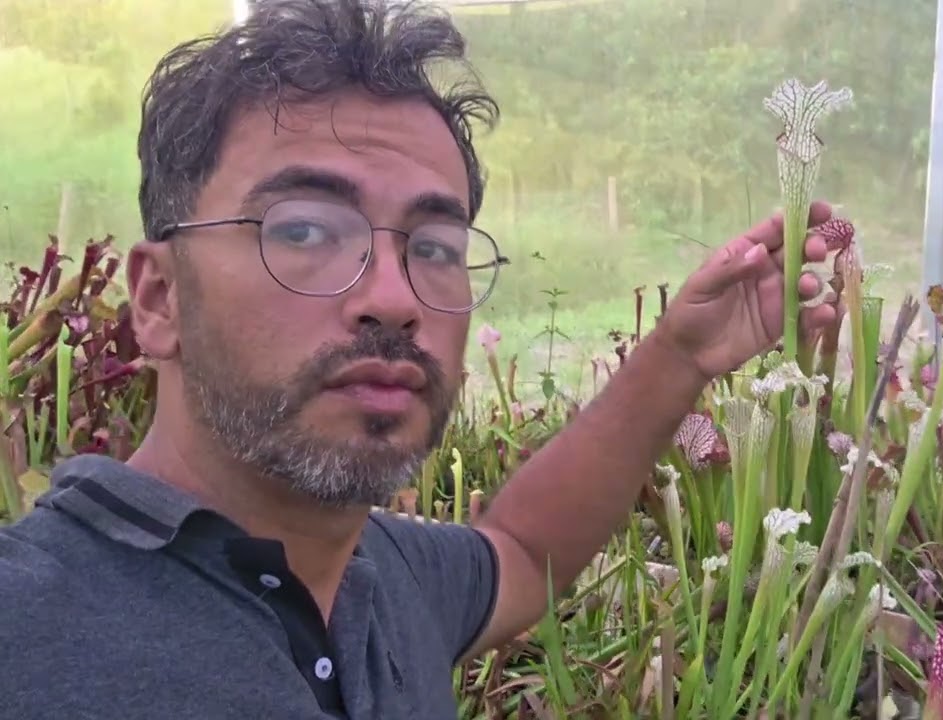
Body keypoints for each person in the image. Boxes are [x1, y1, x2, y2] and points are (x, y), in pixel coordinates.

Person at [0, 1, 838, 718]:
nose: (395, 296)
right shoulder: (29, 625)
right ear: (159, 299)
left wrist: (681, 354)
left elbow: (523, 552)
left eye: (434, 246)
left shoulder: (383, 577)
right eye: (305, 230)